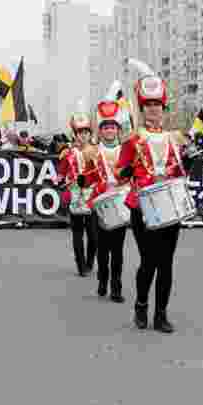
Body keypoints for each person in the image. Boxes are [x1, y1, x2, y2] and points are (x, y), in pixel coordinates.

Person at [116, 59, 187, 333]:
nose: (153, 109)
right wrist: (127, 170)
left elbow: (180, 172)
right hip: (142, 207)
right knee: (149, 261)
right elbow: (120, 175)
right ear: (142, 108)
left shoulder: (174, 139)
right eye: (148, 105)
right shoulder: (132, 140)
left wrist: (187, 164)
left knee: (166, 264)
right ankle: (141, 304)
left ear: (163, 107)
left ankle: (161, 314)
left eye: (157, 104)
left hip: (169, 207)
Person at [82, 96, 128, 302]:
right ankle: (102, 280)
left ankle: (116, 288)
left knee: (117, 250)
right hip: (100, 204)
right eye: (106, 127)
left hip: (119, 203)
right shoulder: (92, 152)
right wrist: (83, 180)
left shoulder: (125, 151)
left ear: (118, 130)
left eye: (112, 127)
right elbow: (88, 177)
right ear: (100, 131)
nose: (109, 131)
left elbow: (130, 175)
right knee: (102, 249)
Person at [58, 111, 98, 277]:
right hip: (75, 195)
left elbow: (101, 173)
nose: (83, 135)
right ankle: (81, 265)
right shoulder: (67, 153)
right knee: (77, 233)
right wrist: (61, 182)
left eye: (86, 132)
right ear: (75, 134)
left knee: (93, 235)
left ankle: (90, 261)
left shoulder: (96, 151)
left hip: (92, 196)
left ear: (90, 134)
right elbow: (60, 174)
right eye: (80, 132)